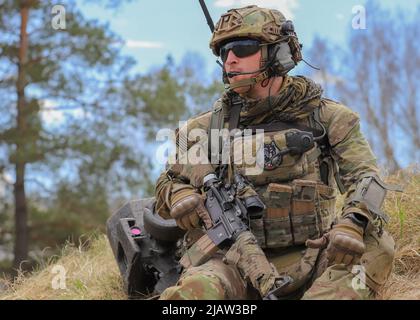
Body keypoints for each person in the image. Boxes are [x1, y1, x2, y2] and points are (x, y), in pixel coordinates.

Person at [154, 5, 398, 300]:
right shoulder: (203, 128)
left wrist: (353, 221)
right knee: (192, 294)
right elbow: (167, 183)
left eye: (242, 48)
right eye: (223, 52)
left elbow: (366, 179)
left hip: (316, 256)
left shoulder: (327, 117)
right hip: (231, 263)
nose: (229, 59)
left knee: (375, 242)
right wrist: (179, 196)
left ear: (278, 53)